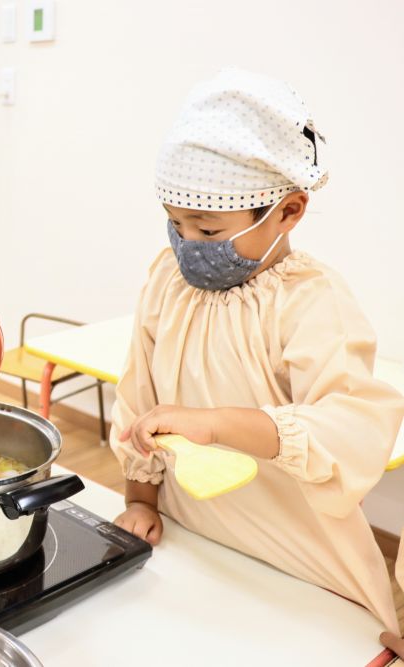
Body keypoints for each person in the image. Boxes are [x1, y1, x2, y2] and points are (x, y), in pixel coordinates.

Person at [110, 68, 404, 633]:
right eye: (175, 225)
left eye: (209, 230)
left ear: (289, 211)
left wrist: (218, 424)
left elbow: (350, 429)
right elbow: (138, 404)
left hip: (300, 569)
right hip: (192, 544)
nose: (188, 246)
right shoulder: (167, 282)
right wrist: (142, 501)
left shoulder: (311, 303)